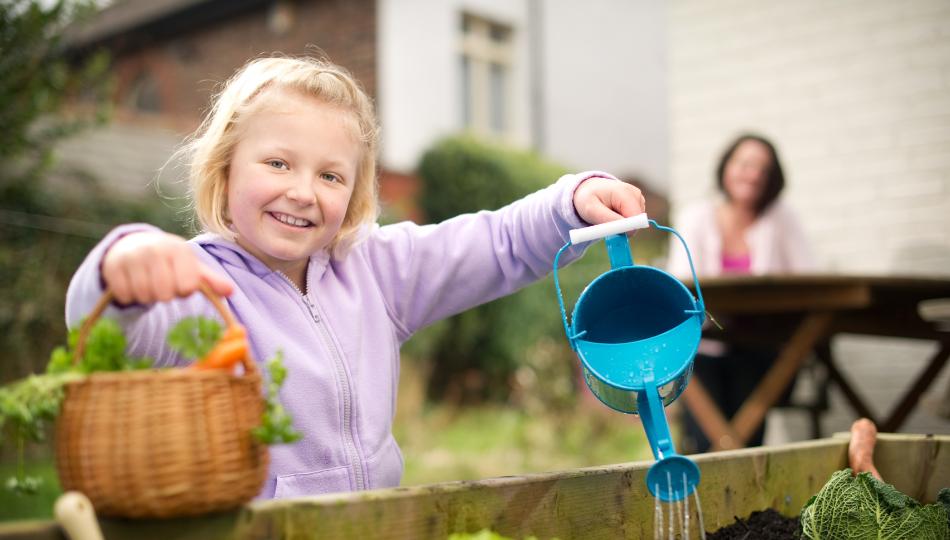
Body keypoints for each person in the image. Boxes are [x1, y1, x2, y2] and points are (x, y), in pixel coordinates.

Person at [65, 56, 646, 499]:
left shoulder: (374, 268)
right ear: (225, 167)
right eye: (277, 163)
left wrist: (571, 204)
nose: (302, 191)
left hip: (376, 523)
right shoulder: (194, 285)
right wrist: (124, 262)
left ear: (356, 192)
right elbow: (115, 328)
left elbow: (495, 243)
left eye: (331, 176)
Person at [667, 133, 815, 452]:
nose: (754, 174)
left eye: (764, 168)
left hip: (759, 346)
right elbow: (679, 284)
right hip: (702, 348)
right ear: (726, 167)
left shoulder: (782, 219)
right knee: (707, 437)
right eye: (745, 164)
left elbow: (806, 279)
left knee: (749, 436)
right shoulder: (695, 218)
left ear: (773, 178)